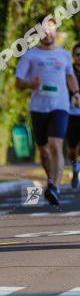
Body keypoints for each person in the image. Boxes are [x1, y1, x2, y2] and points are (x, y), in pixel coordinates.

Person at [15, 15, 80, 206]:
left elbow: (70, 76)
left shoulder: (64, 55)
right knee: (43, 151)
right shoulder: (30, 56)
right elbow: (18, 83)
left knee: (56, 144)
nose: (47, 33)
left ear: (55, 31)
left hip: (60, 107)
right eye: (43, 29)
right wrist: (30, 84)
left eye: (50, 29)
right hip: (38, 108)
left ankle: (56, 188)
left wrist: (76, 92)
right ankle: (50, 179)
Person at [68, 43, 80, 189]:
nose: (79, 57)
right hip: (71, 113)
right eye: (77, 54)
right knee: (72, 150)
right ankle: (75, 168)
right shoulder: (69, 72)